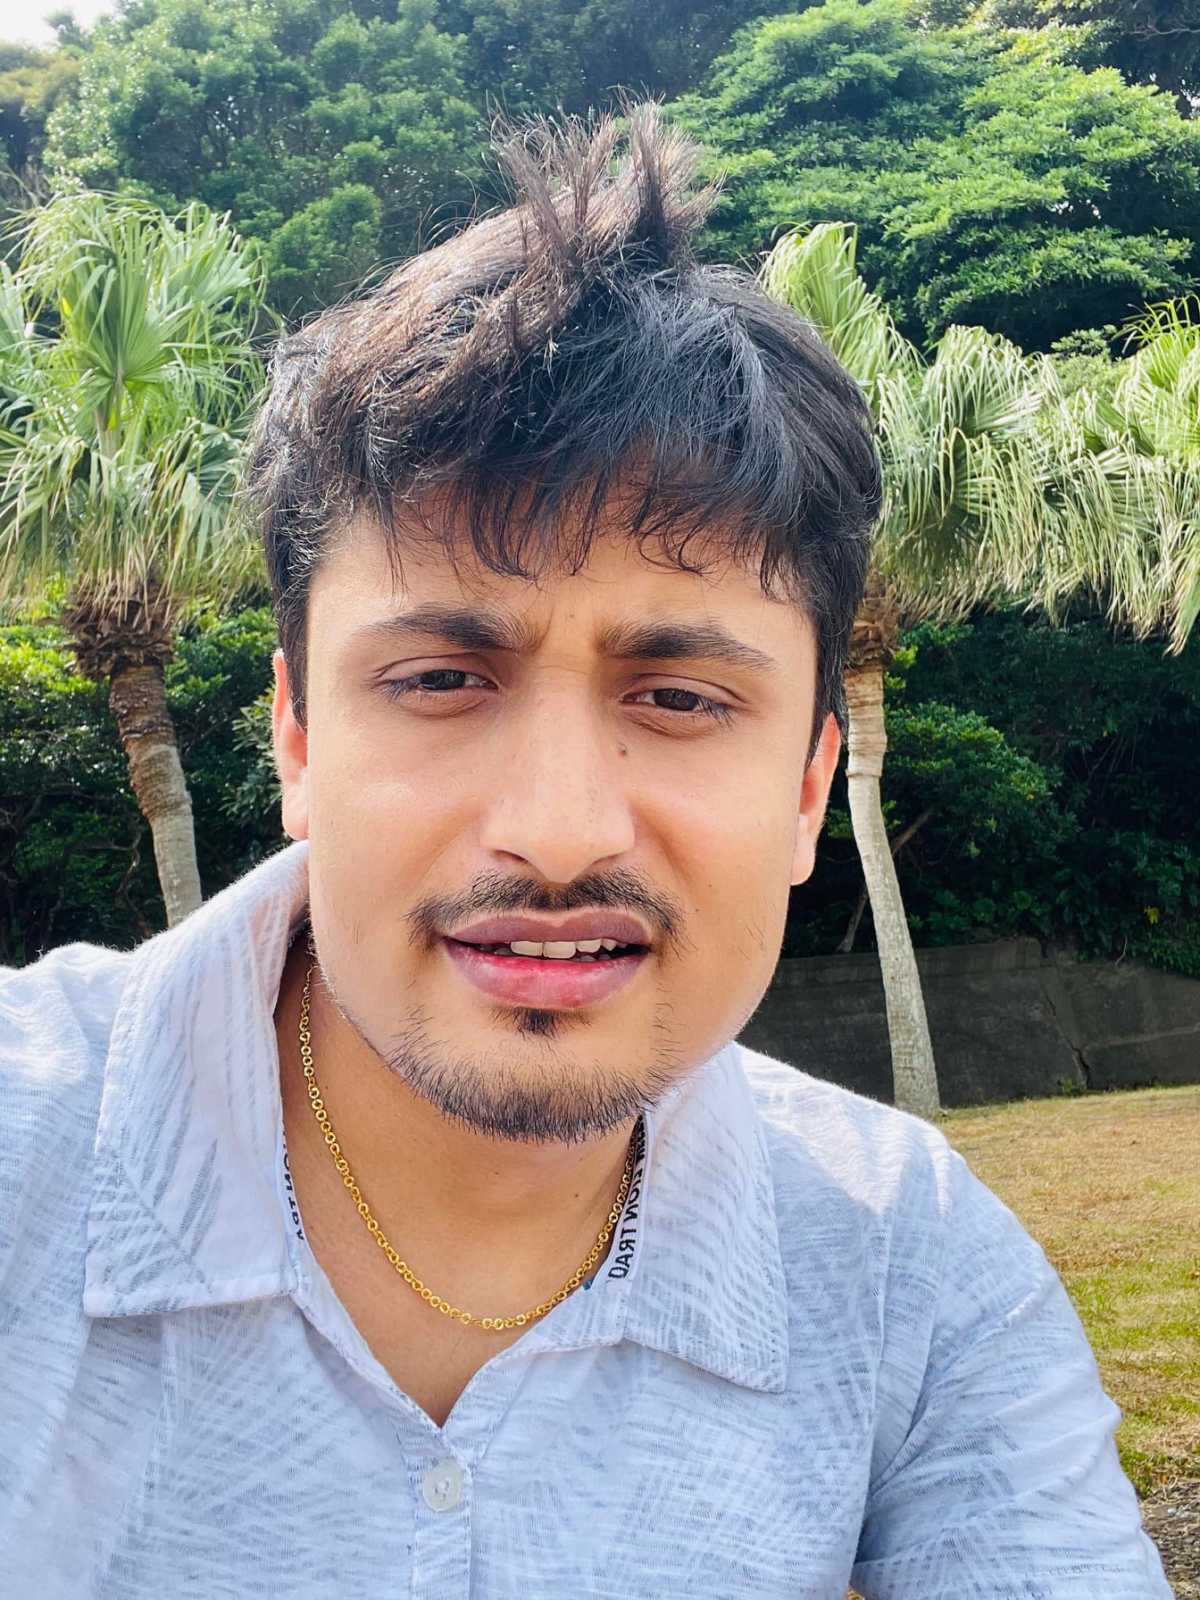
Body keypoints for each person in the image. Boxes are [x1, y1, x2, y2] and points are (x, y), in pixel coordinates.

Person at [0, 104, 1171, 1599]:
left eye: (680, 699)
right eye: (440, 679)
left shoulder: (908, 1262)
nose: (557, 830)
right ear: (296, 741)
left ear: (809, 788)